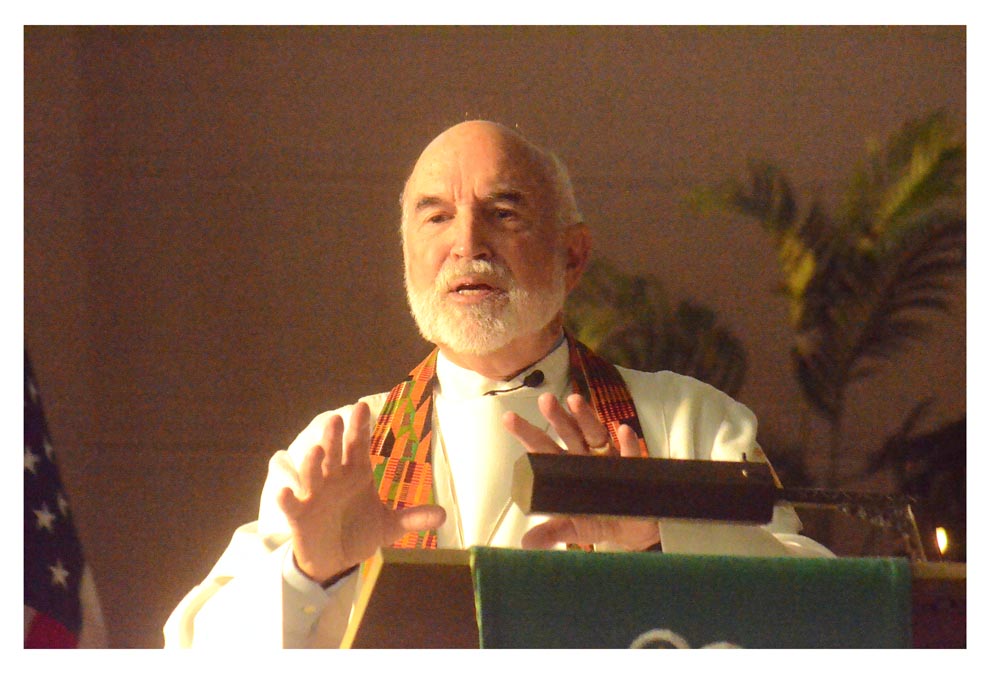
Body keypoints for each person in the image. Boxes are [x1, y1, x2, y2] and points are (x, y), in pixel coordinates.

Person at [164, 120, 831, 649]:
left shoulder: (690, 421)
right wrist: (308, 573)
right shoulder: (338, 449)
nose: (467, 243)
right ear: (407, 257)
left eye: (504, 212)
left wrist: (658, 539)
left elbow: (826, 619)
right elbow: (194, 647)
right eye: (435, 217)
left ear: (573, 255)